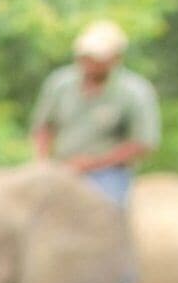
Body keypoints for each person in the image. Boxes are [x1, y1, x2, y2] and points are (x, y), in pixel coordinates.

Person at [30, 20, 160, 211]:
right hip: (60, 167)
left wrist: (93, 163)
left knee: (108, 211)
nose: (89, 62)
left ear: (116, 58)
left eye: (97, 58)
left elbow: (143, 143)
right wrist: (42, 163)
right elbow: (43, 127)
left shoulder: (135, 92)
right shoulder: (60, 84)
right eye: (86, 56)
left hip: (107, 173)